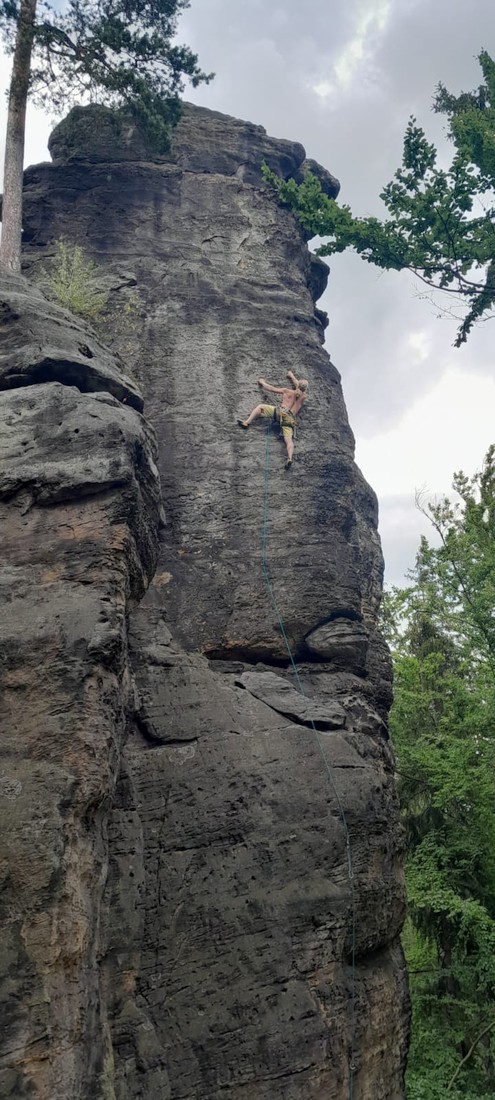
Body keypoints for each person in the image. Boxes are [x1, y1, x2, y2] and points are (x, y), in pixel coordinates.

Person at [237, 371, 309, 468]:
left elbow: (271, 388)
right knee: (289, 441)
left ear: (298, 385)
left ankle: (247, 422)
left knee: (260, 407)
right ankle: (290, 458)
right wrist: (292, 376)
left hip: (280, 413)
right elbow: (300, 387)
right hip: (289, 419)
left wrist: (262, 382)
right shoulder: (303, 397)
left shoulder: (287, 391)